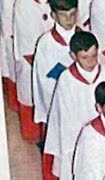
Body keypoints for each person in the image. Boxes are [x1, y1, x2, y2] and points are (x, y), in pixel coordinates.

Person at [44, 31, 105, 180]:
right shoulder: (66, 79)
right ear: (73, 56)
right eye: (84, 57)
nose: (91, 61)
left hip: (103, 133)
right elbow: (65, 117)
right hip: (75, 134)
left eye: (94, 56)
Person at [32, 0, 80, 138]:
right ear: (53, 15)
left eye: (72, 14)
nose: (69, 19)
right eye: (63, 15)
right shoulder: (46, 43)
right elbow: (44, 78)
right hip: (57, 97)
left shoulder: (84, 36)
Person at [13, 0, 54, 142]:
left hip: (55, 63)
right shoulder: (23, 4)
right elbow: (28, 47)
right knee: (32, 98)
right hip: (32, 63)